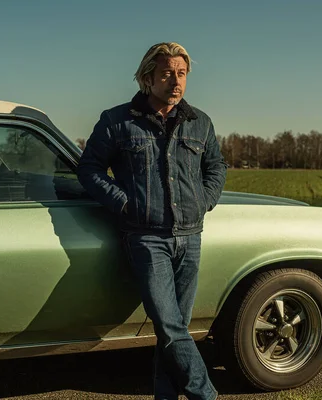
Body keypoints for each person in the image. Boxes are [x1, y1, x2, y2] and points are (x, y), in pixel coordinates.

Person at [77, 42, 227, 400]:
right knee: (171, 326)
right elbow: (90, 168)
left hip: (190, 237)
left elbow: (216, 167)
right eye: (166, 74)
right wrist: (125, 204)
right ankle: (206, 395)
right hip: (146, 238)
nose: (176, 81)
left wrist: (203, 201)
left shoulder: (199, 122)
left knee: (172, 331)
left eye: (182, 74)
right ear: (147, 78)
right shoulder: (117, 121)